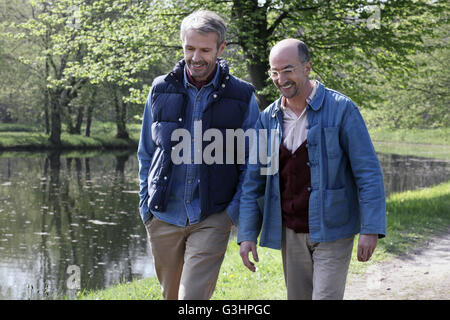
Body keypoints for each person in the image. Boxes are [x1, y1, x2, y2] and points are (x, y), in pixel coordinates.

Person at [238, 39, 386, 300]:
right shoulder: (267, 119)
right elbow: (254, 180)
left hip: (334, 229)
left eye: (287, 69)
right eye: (274, 72)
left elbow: (368, 173)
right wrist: (248, 233)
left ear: (307, 68)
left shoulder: (342, 110)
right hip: (290, 231)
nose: (280, 78)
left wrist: (371, 228)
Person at [137, 10, 259, 300]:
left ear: (221, 48)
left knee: (193, 298)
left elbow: (255, 163)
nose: (196, 57)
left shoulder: (243, 96)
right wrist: (146, 207)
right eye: (190, 48)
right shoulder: (159, 88)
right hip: (163, 215)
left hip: (212, 216)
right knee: (170, 296)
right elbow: (146, 152)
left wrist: (232, 214)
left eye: (205, 50)